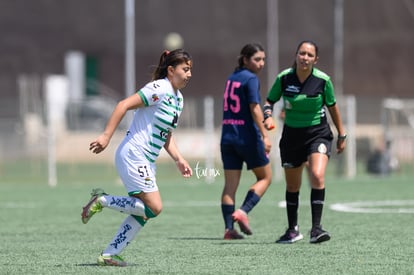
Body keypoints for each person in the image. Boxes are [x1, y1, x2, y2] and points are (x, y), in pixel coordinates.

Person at [81, 49, 193, 266]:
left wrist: (179, 159)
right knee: (154, 207)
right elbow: (122, 105)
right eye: (185, 69)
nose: (189, 74)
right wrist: (106, 136)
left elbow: (166, 133)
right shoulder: (159, 87)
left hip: (146, 160)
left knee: (143, 212)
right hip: (134, 154)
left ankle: (110, 254)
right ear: (171, 70)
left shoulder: (178, 99)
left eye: (190, 70)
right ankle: (102, 200)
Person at [263, 40, 346, 244]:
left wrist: (341, 134)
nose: (305, 58)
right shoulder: (284, 78)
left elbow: (333, 108)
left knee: (317, 175)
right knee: (293, 185)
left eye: (309, 55)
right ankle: (293, 230)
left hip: (318, 134)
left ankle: (316, 229)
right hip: (291, 137)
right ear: (296, 55)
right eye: (302, 53)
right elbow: (269, 101)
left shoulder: (323, 80)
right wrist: (267, 115)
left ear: (315, 59)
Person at [220, 43, 273, 240]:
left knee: (229, 186)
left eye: (263, 59)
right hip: (247, 138)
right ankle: (243, 211)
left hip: (227, 138)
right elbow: (255, 108)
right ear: (245, 59)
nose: (261, 64)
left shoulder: (231, 78)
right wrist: (265, 135)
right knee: (265, 178)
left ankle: (228, 229)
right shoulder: (251, 79)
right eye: (257, 59)